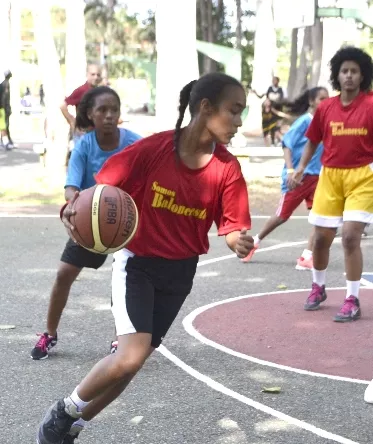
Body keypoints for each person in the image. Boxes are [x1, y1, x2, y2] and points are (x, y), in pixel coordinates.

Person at [36, 72, 254, 444]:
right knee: (130, 357)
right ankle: (64, 410)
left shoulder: (227, 168)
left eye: (241, 114)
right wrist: (74, 208)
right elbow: (102, 190)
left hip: (181, 272)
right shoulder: (153, 150)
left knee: (129, 368)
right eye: (233, 112)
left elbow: (232, 224)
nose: (238, 122)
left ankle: (71, 427)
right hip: (138, 265)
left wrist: (237, 240)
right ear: (205, 108)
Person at [31, 86, 141, 361]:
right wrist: (73, 203)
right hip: (92, 222)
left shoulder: (135, 144)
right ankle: (49, 334)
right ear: (90, 114)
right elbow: (71, 187)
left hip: (126, 224)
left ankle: (121, 339)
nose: (108, 115)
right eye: (102, 110)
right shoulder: (84, 145)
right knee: (63, 274)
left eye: (113, 110)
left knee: (124, 281)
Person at [289, 46, 373, 321]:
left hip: (363, 176)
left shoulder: (371, 105)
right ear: (337, 75)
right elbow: (313, 140)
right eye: (344, 71)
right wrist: (300, 168)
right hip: (330, 176)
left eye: (354, 71)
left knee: (350, 236)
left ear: (362, 75)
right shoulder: (326, 108)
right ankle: (319, 287)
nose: (349, 76)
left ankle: (352, 299)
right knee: (322, 239)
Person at [243, 87, 329, 269]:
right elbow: (287, 145)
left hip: (317, 177)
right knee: (282, 216)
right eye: (322, 98)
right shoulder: (304, 121)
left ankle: (306, 257)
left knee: (319, 216)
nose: (326, 101)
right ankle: (255, 242)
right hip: (298, 177)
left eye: (327, 98)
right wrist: (291, 171)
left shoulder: (325, 122)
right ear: (312, 101)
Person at [60, 63, 102, 165]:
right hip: (83, 132)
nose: (95, 77)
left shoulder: (99, 91)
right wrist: (71, 121)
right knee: (82, 162)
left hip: (96, 132)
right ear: (87, 74)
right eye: (93, 74)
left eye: (98, 74)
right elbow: (63, 105)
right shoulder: (82, 90)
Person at [0, 70, 14, 150]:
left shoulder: (3, 84)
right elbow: (4, 98)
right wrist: (6, 108)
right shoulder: (5, 85)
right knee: (4, 126)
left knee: (3, 126)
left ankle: (5, 141)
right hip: (3, 108)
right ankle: (6, 142)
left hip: (3, 108)